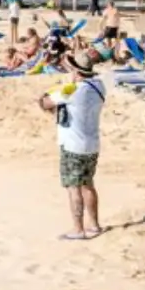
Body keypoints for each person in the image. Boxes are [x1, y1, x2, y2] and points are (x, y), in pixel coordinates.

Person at [38, 52, 106, 240]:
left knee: (73, 187)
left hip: (73, 145)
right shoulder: (99, 86)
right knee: (88, 185)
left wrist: (47, 93)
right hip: (92, 143)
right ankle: (94, 225)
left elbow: (46, 103)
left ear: (76, 71)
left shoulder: (72, 90)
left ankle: (78, 229)